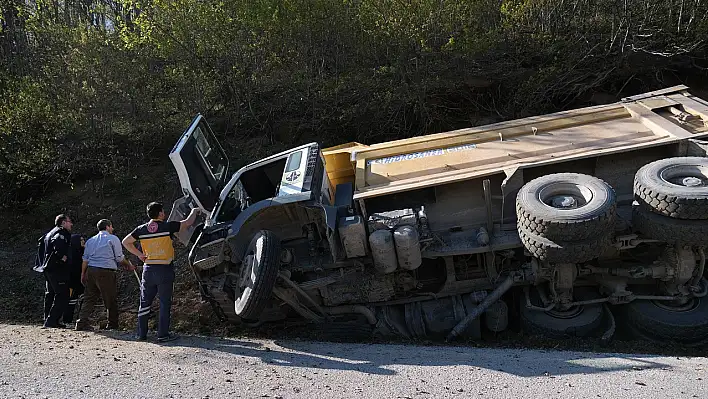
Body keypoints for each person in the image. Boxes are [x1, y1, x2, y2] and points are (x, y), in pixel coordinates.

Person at [122, 202, 201, 342]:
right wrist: (195, 210)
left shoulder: (141, 229)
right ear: (159, 213)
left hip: (148, 270)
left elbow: (126, 242)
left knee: (145, 302)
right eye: (163, 212)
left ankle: (141, 334)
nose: (164, 214)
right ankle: (163, 334)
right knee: (164, 302)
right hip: (164, 269)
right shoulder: (167, 226)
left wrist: (139, 254)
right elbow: (187, 223)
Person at [75, 219, 135, 331]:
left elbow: (85, 259)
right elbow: (119, 258)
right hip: (105, 271)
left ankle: (81, 321)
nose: (112, 229)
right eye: (111, 226)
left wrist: (83, 273)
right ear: (107, 227)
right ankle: (112, 324)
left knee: (89, 297)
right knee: (110, 298)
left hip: (91, 270)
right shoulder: (113, 239)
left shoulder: (90, 241)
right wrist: (128, 265)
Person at [38, 214, 73, 328]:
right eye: (69, 221)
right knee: (63, 294)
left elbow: (42, 244)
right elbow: (58, 243)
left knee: (50, 294)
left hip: (48, 268)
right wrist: (62, 256)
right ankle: (52, 321)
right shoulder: (61, 233)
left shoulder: (49, 233)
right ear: (63, 222)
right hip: (57, 269)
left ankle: (48, 319)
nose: (71, 224)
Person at [62, 234, 86, 325]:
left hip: (81, 280)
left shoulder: (83, 252)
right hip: (71, 281)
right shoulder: (71, 253)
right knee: (71, 301)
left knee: (83, 300)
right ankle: (67, 320)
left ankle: (80, 320)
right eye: (81, 240)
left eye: (83, 239)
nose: (83, 241)